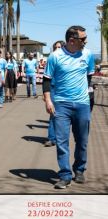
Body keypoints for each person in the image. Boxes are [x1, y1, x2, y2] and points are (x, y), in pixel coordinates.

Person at [43, 26, 94, 189]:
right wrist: (48, 101)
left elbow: (89, 78)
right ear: (72, 40)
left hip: (82, 104)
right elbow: (46, 80)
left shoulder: (88, 54)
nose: (86, 41)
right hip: (61, 105)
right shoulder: (55, 56)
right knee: (62, 141)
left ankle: (79, 170)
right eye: (83, 39)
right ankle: (65, 175)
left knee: (82, 140)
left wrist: (88, 99)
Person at [44, 40, 65, 148]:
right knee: (53, 113)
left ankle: (60, 138)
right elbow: (46, 78)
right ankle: (52, 138)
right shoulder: (51, 59)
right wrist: (46, 97)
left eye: (59, 47)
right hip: (53, 88)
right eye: (55, 47)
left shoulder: (67, 59)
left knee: (63, 115)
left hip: (64, 90)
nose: (57, 49)